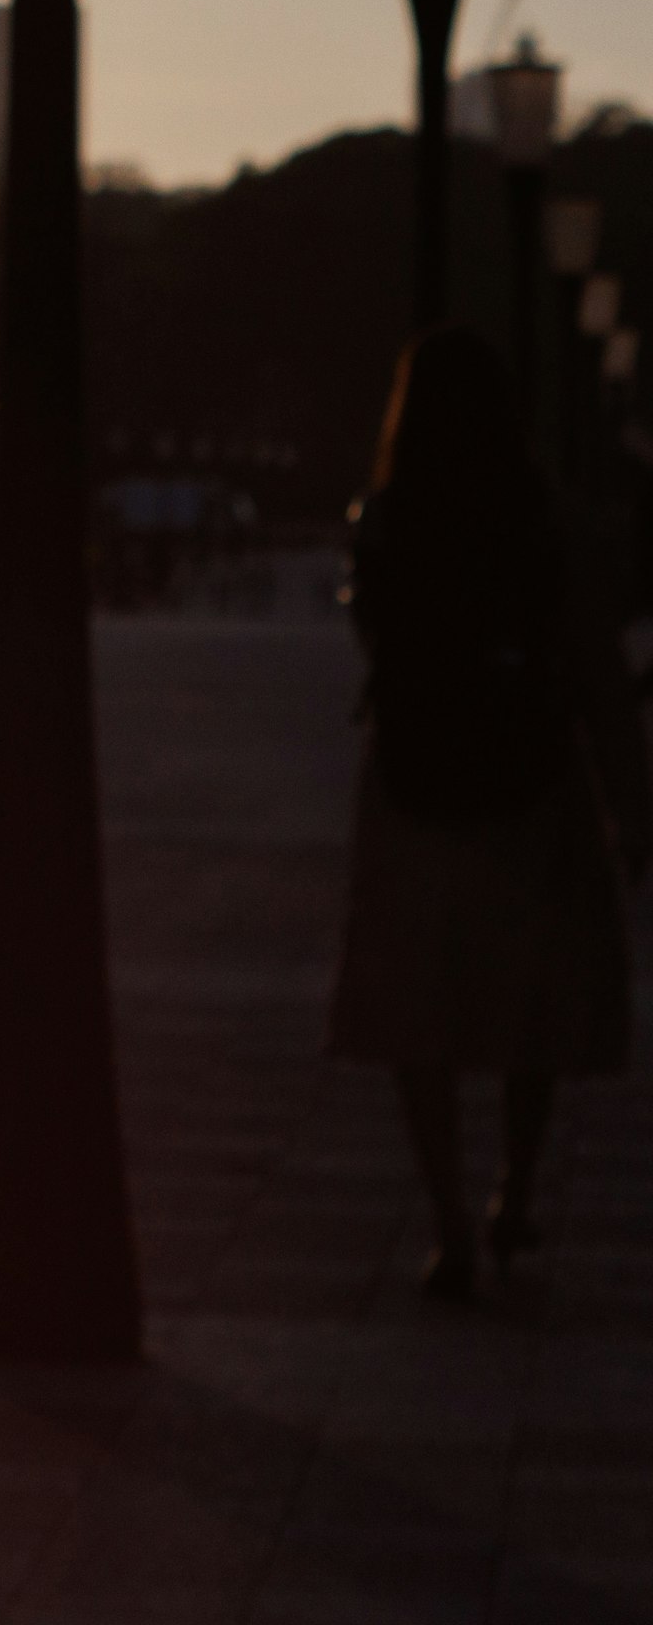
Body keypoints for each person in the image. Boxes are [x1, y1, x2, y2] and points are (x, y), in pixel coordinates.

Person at [332, 327, 648, 1302]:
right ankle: (515, 1188)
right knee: (529, 1003)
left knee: (418, 1008)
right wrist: (631, 804)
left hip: (415, 790)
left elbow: (374, 641)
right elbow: (596, 670)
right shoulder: (547, 521)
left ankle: (448, 1217)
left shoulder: (386, 520)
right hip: (530, 790)